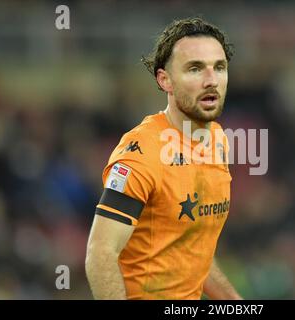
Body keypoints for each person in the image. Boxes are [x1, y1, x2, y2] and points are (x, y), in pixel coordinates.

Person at [85, 17, 242, 300]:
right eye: (195, 69)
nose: (211, 80)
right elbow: (100, 254)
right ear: (164, 80)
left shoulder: (218, 140)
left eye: (219, 67)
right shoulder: (142, 153)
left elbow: (192, 251)